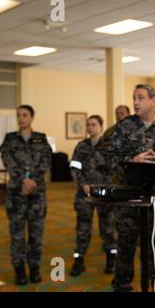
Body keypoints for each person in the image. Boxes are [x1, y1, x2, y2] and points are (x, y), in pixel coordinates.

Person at [106, 84, 155, 292]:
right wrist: (133, 159)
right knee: (126, 246)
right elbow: (109, 158)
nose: (135, 102)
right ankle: (122, 284)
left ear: (154, 101)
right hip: (129, 199)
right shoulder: (124, 126)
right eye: (133, 98)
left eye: (140, 97)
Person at [0, 105, 52, 285]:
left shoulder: (41, 139)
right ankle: (19, 270)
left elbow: (46, 161)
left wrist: (33, 182)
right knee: (17, 234)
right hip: (16, 194)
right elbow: (7, 160)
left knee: (36, 233)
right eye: (18, 115)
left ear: (32, 117)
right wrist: (23, 180)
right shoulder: (10, 139)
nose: (21, 118)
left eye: (24, 115)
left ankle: (35, 268)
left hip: (37, 195)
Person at [69, 115, 117, 276]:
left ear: (101, 127)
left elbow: (115, 170)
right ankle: (79, 260)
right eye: (88, 125)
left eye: (93, 124)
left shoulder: (110, 146)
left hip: (104, 195)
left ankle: (111, 260)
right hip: (85, 194)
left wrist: (102, 187)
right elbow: (75, 167)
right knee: (82, 229)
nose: (90, 127)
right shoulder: (81, 146)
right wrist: (83, 185)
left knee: (108, 229)